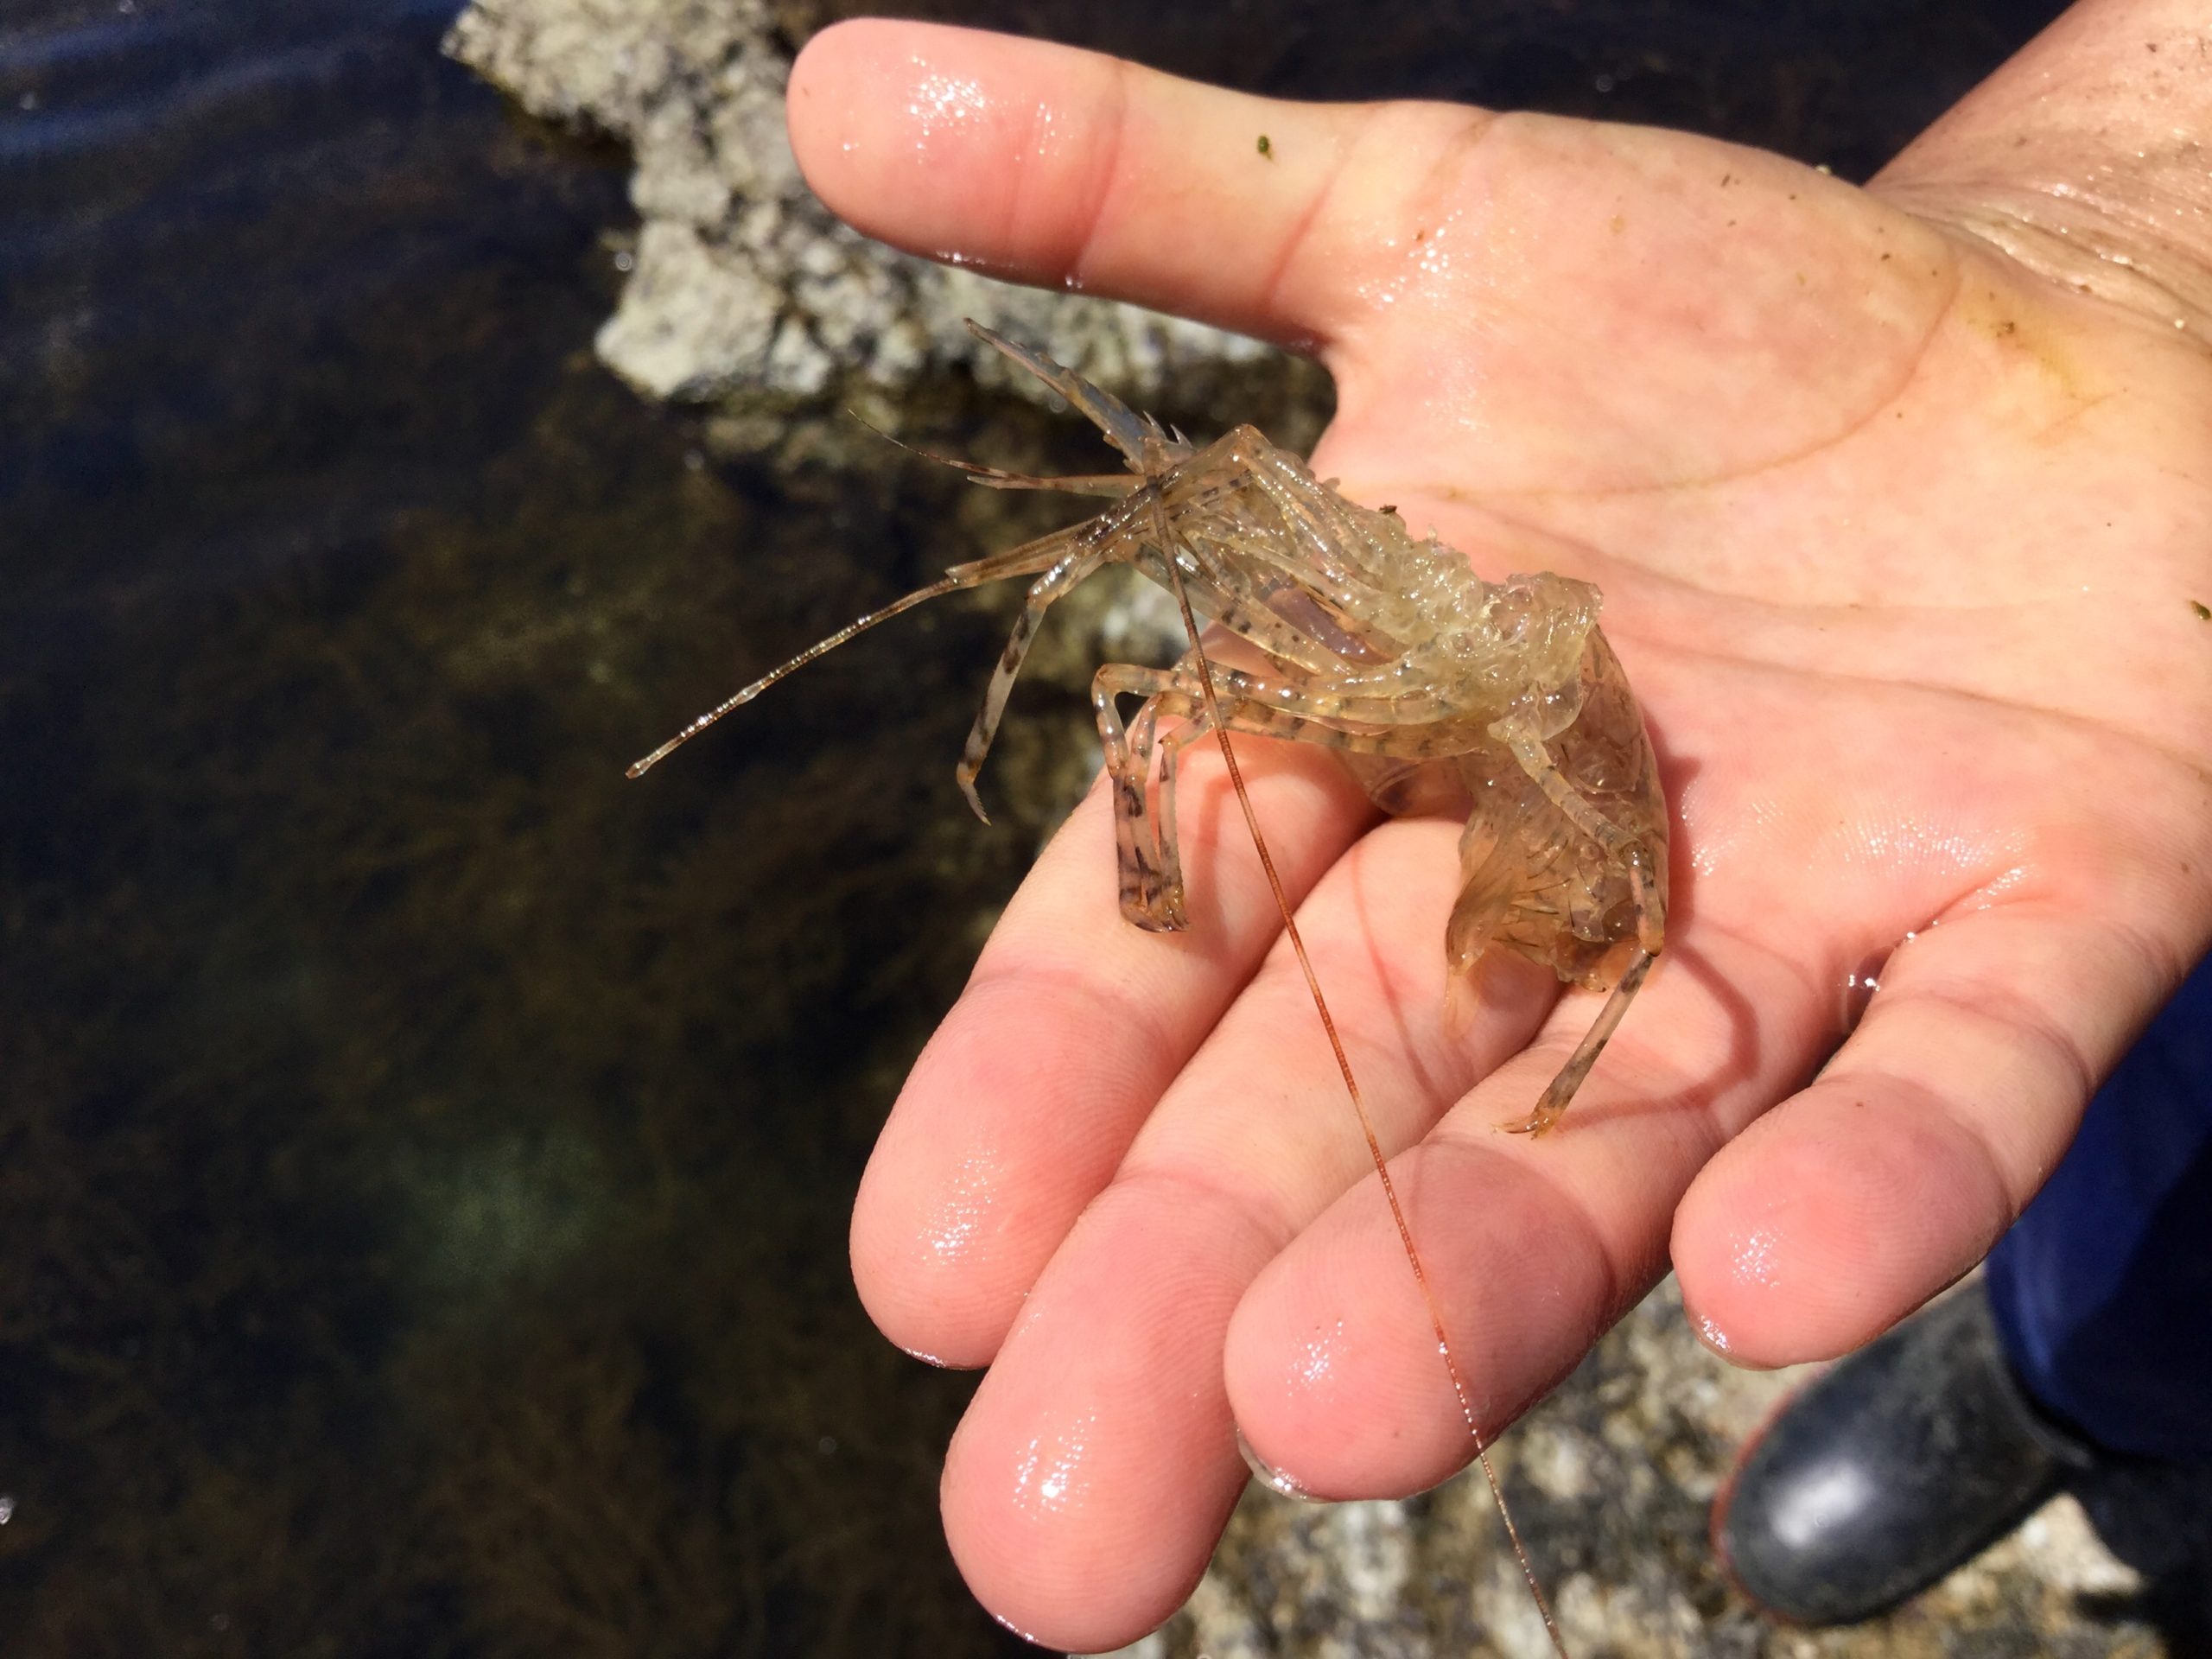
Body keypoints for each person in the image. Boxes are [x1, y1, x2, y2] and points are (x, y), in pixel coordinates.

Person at [781, 3, 2212, 1648]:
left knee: (1142, 689)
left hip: (1560, 811)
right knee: (2146, 1157)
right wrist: (2132, 225)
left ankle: (2107, 1384)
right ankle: (2076, 1376)